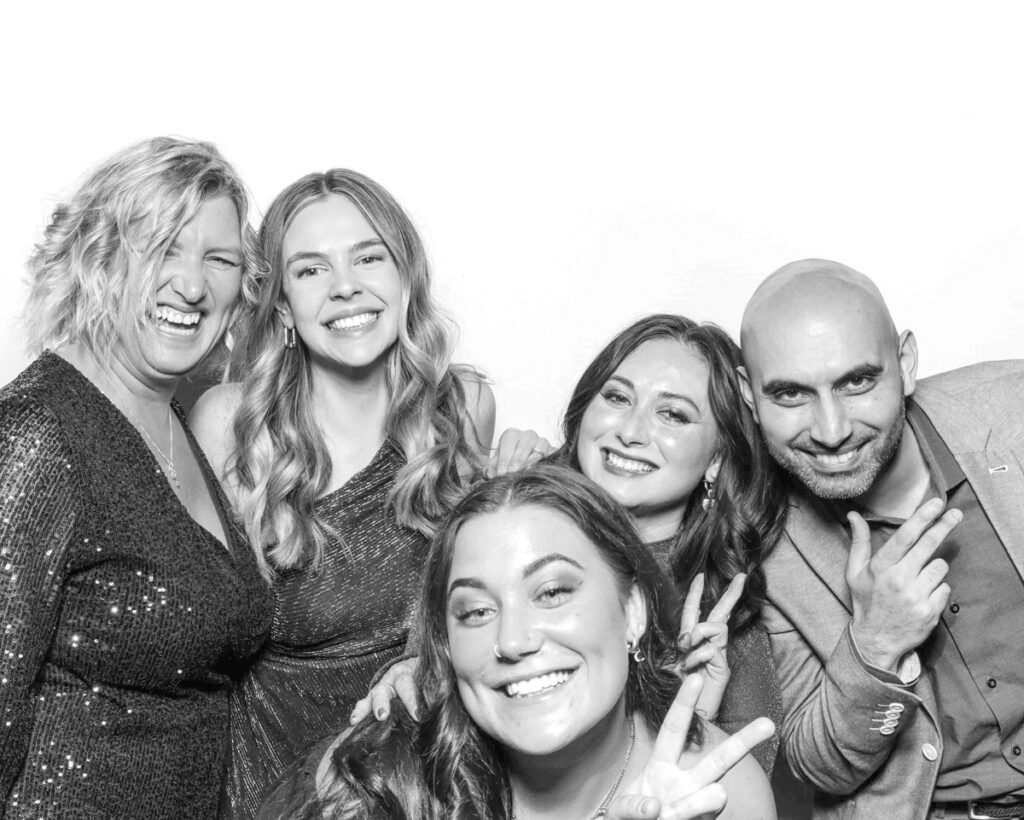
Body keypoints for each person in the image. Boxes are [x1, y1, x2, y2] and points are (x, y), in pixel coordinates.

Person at [190, 169, 495, 817]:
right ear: (282, 308)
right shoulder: (231, 423)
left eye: (368, 256)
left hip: (413, 768)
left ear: (405, 275)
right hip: (260, 774)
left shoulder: (463, 409)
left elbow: (481, 600)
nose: (345, 286)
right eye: (310, 270)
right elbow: (196, 631)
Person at [358, 314, 786, 773]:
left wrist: (693, 720)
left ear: (718, 460)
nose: (630, 431)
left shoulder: (724, 623)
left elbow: (743, 790)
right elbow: (433, 672)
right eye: (617, 397)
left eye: (673, 414)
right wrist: (413, 674)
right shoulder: (501, 527)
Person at [0, 137, 273, 818]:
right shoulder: (38, 431)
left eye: (219, 258)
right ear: (100, 256)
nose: (191, 283)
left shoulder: (181, 424)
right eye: (162, 247)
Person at [259, 464, 776, 819]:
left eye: (551, 592)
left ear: (632, 611)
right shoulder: (373, 782)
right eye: (477, 611)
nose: (512, 640)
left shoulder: (719, 789)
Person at [738, 258, 1024, 820]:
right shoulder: (758, 542)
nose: (832, 430)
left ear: (906, 363)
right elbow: (819, 766)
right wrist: (874, 647)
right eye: (791, 395)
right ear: (750, 396)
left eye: (857, 381)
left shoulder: (1011, 412)